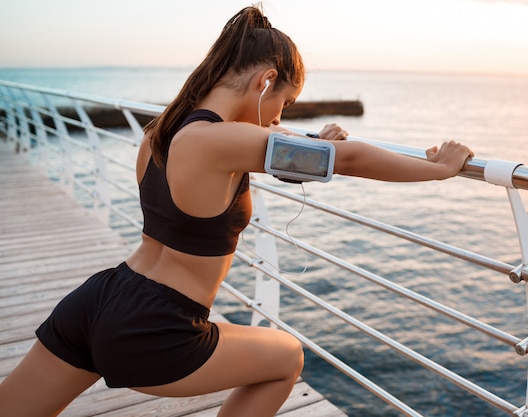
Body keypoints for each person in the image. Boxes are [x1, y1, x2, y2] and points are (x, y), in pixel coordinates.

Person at [0, 5, 473, 417]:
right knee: (286, 356)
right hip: (156, 325)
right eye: (283, 104)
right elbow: (347, 160)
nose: (278, 121)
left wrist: (313, 148)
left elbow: (261, 158)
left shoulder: (160, 133)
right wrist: (439, 169)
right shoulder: (225, 140)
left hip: (102, 297)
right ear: (266, 80)